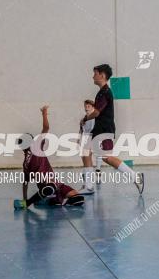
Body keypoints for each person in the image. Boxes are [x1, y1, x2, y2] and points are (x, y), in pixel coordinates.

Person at [80, 64, 144, 194]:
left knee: (106, 157)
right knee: (86, 152)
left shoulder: (105, 92)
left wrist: (85, 119)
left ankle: (135, 177)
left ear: (102, 75)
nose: (93, 76)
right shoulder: (101, 92)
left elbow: (97, 112)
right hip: (99, 129)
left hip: (104, 130)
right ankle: (89, 186)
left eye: (95, 73)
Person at [20, 106, 84, 208]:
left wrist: (24, 198)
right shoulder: (33, 150)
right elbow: (46, 128)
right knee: (50, 188)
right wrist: (44, 114)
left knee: (79, 199)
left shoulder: (30, 157)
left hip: (57, 184)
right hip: (46, 185)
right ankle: (43, 199)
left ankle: (59, 201)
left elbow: (25, 183)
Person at [78, 99, 96, 194]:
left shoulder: (93, 117)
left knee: (88, 160)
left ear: (93, 107)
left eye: (88, 106)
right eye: (85, 106)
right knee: (85, 161)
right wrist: (79, 138)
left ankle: (89, 186)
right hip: (84, 138)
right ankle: (87, 184)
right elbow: (81, 129)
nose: (86, 107)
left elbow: (93, 129)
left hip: (90, 138)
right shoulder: (84, 117)